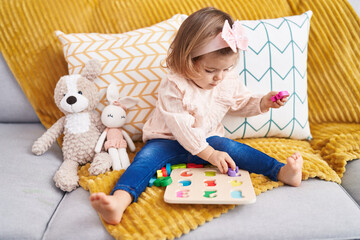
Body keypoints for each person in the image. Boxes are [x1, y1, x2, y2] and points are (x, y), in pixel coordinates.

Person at [90, 7, 303, 225]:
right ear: (187, 60)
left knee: (235, 149)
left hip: (208, 139)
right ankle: (119, 201)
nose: (219, 77)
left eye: (227, 69)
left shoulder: (226, 79)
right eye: (210, 70)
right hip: (167, 141)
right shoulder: (174, 85)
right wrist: (211, 155)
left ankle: (281, 172)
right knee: (144, 162)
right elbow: (182, 128)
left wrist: (262, 102)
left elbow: (239, 103)